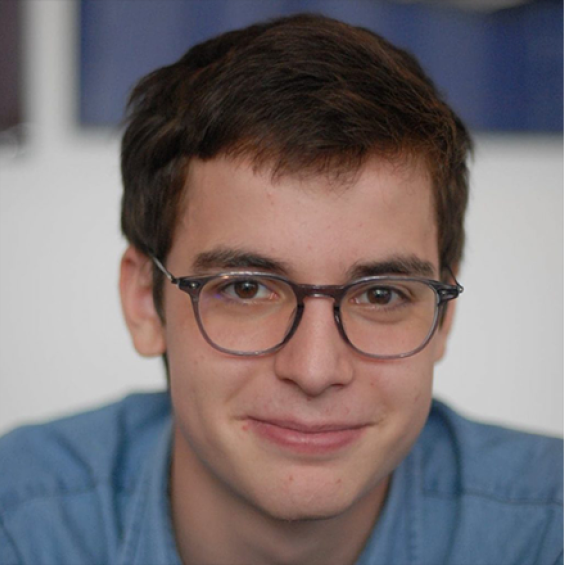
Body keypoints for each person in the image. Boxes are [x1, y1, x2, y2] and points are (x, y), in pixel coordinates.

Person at [0, 13, 562, 565]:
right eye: (246, 289)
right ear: (145, 300)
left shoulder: (547, 530)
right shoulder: (20, 522)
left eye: (381, 294)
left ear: (443, 316)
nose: (315, 370)